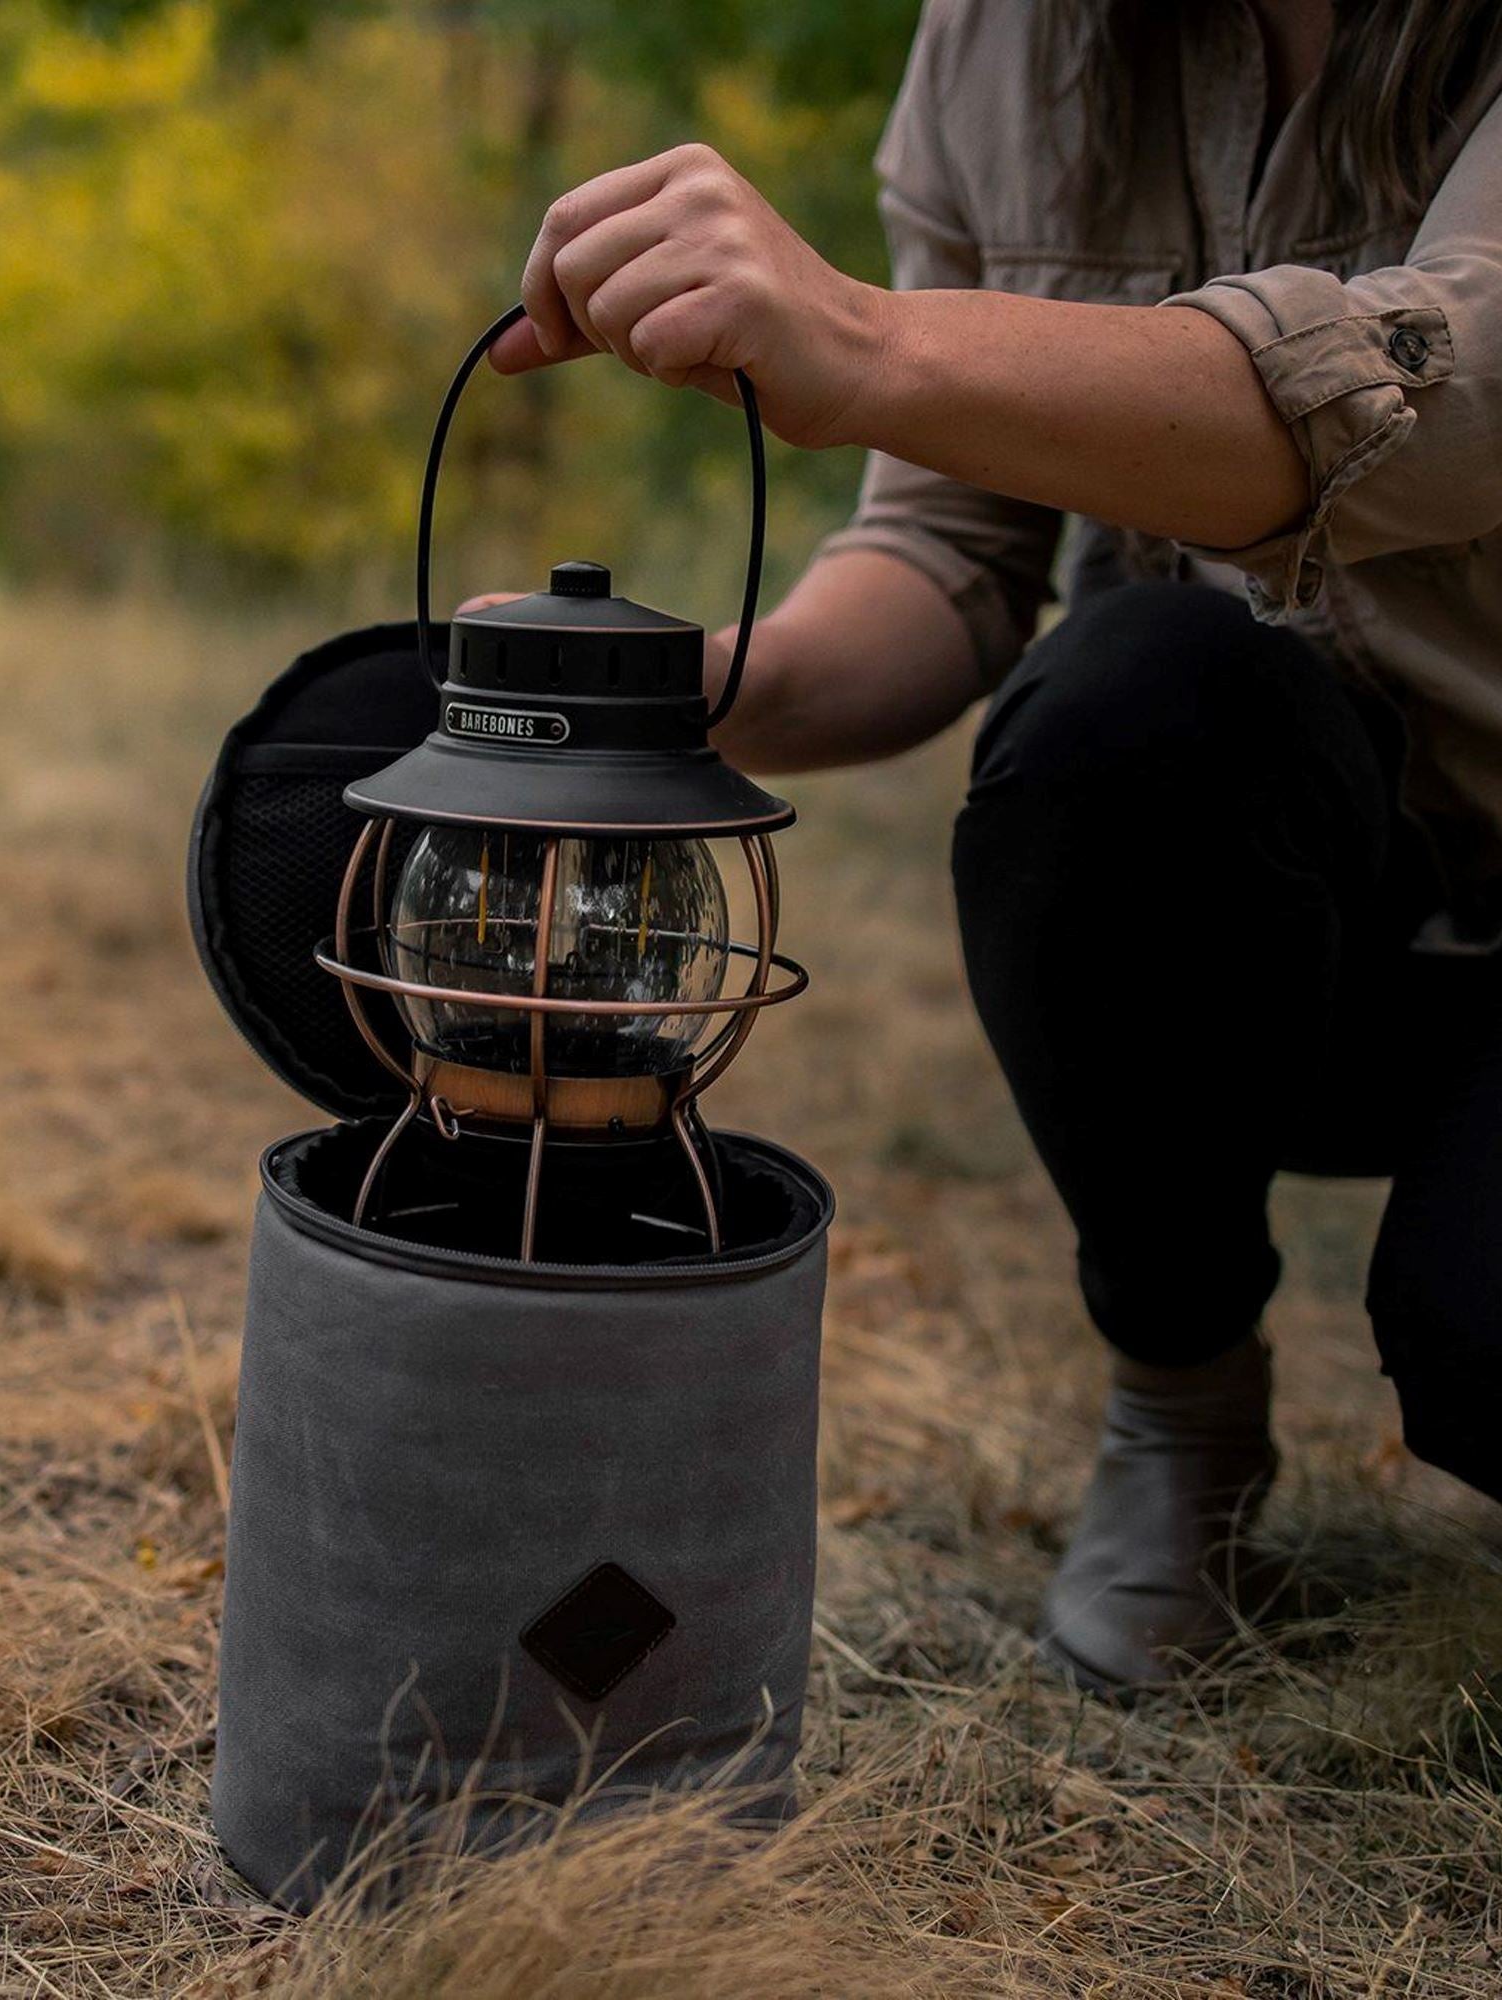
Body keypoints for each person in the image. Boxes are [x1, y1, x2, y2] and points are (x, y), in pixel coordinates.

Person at [478, 0, 1502, 1694]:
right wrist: (680, 693)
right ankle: (1180, 1400)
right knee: (1132, 699)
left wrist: (867, 340)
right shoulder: (1008, 37)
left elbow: (1454, 395)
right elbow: (951, 549)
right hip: (1294, 920)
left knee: (1482, 1338)